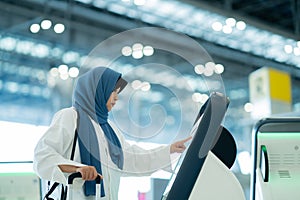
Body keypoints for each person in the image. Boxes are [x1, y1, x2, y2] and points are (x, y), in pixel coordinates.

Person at [33, 66, 191, 200]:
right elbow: (42, 157)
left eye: (117, 93)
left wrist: (168, 151)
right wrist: (77, 168)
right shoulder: (71, 117)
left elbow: (131, 159)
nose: (116, 98)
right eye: (112, 92)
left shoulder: (109, 129)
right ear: (97, 91)